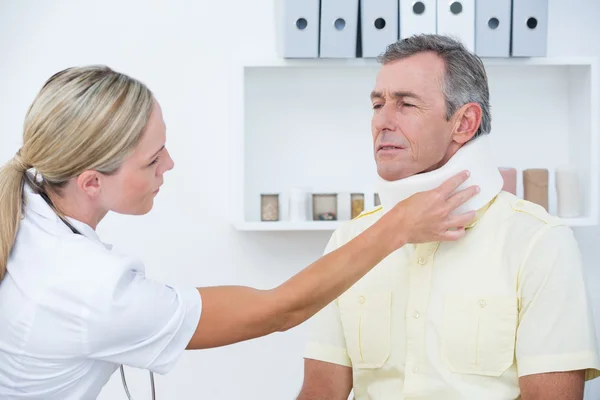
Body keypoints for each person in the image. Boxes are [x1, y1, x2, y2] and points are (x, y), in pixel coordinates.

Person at [0, 65, 480, 399]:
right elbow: (280, 310)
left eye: (163, 146)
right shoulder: (90, 289)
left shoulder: (27, 196)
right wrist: (397, 227)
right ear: (89, 182)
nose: (170, 164)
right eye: (152, 159)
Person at [297, 34, 600, 400]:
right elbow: (319, 392)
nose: (382, 122)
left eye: (406, 104)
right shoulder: (350, 240)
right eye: (378, 105)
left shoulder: (538, 242)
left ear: (464, 123)